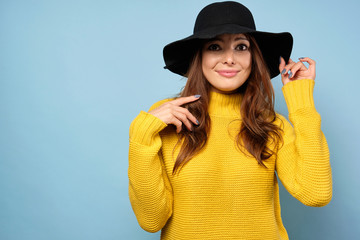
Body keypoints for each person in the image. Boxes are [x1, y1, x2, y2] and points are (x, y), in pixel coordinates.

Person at [128, 1, 332, 239]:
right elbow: (152, 220)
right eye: (215, 47)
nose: (229, 59)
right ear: (200, 57)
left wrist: (302, 102)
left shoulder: (272, 125)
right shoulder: (167, 118)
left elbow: (316, 193)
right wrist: (142, 136)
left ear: (253, 58)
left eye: (241, 47)